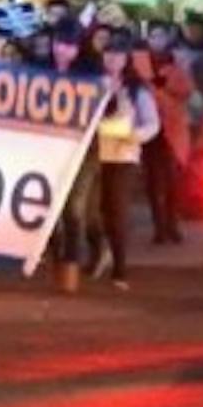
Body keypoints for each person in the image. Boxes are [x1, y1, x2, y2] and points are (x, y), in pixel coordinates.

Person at [91, 30, 160, 291]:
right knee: (94, 210)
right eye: (109, 54)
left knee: (117, 211)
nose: (113, 59)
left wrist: (134, 136)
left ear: (126, 58)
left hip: (123, 155)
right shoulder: (93, 84)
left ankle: (120, 268)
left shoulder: (136, 90)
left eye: (118, 55)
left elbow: (152, 123)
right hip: (95, 155)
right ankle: (100, 252)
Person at [50, 18, 98, 293]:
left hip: (83, 151)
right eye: (59, 43)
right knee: (51, 207)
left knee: (74, 208)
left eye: (69, 45)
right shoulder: (42, 70)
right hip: (51, 149)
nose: (62, 50)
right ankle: (57, 260)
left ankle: (72, 265)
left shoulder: (90, 74)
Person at [134, 19, 193, 244]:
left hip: (172, 127)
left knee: (171, 180)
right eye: (153, 36)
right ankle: (159, 226)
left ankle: (171, 224)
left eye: (161, 36)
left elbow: (186, 89)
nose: (157, 40)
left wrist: (164, 85)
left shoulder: (177, 61)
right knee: (152, 179)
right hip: (148, 126)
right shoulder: (138, 61)